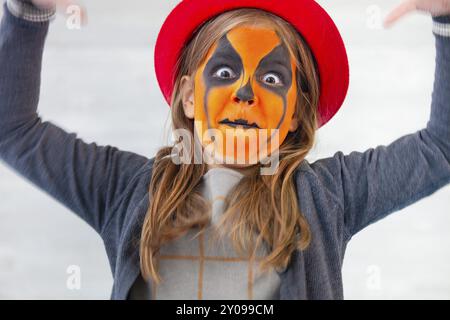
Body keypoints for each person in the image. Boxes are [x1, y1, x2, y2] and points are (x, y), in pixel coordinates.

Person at [0, 0, 449, 299]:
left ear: (295, 113)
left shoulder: (328, 195)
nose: (245, 93)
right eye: (224, 71)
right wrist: (29, 14)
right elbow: (12, 128)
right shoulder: (125, 189)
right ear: (189, 96)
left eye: (271, 79)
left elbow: (441, 148)